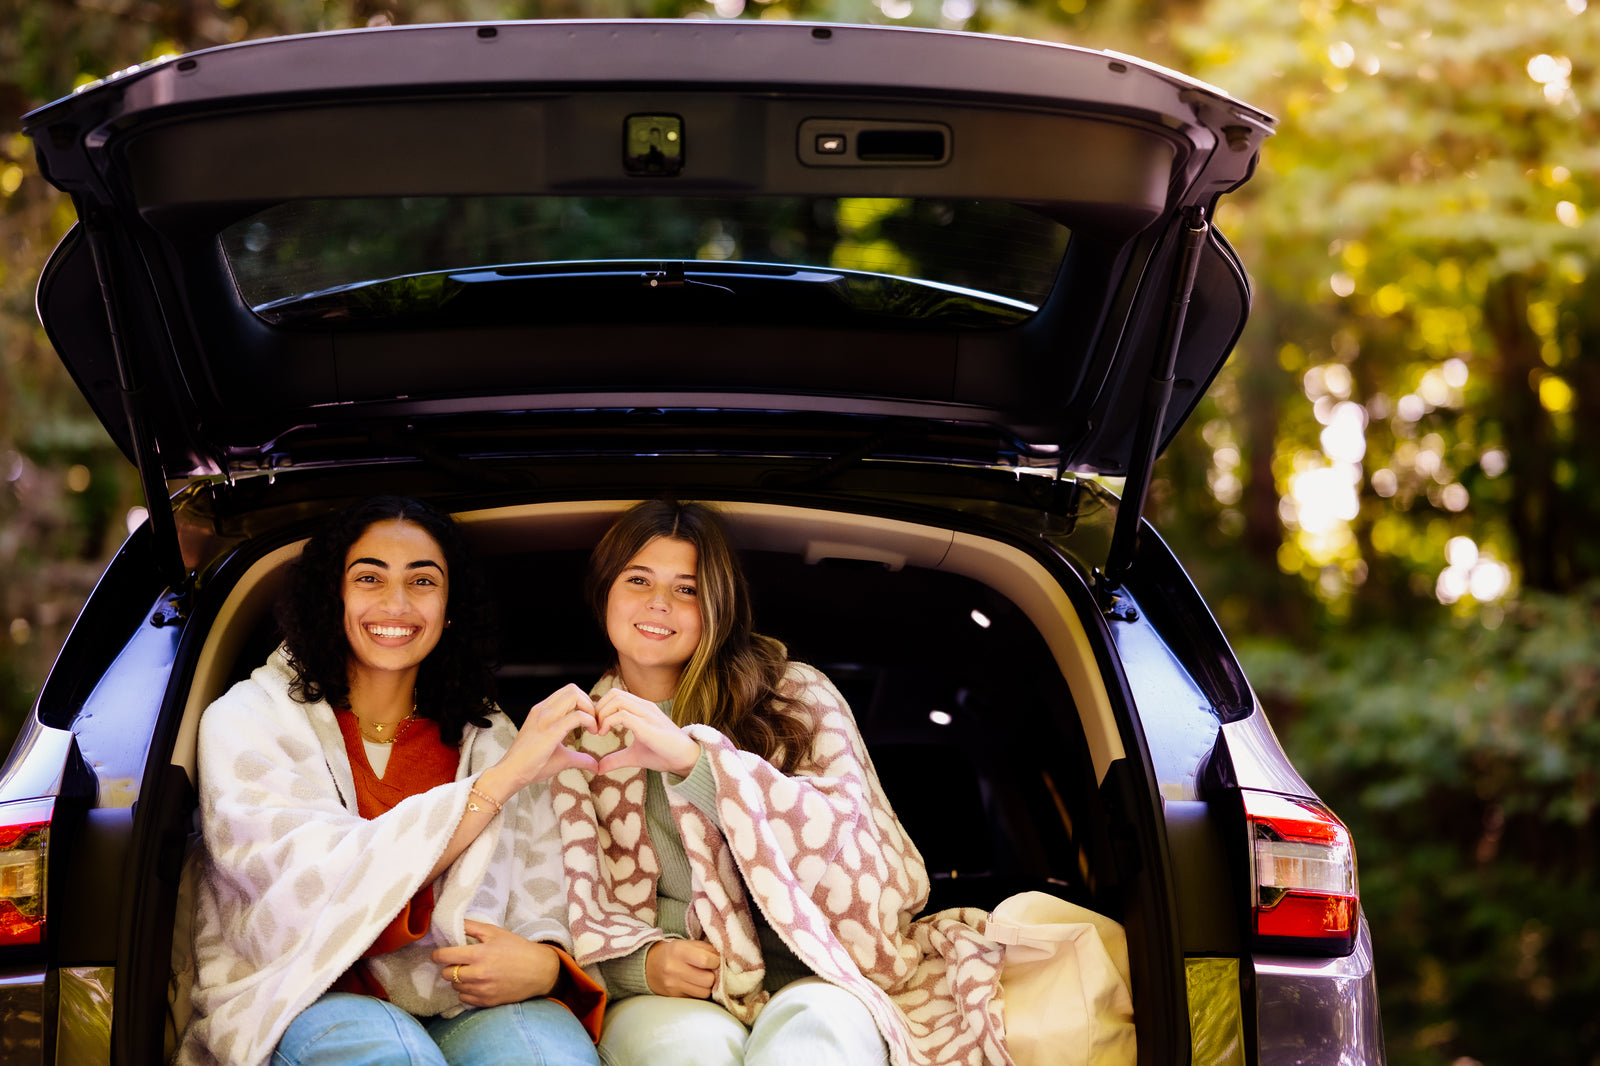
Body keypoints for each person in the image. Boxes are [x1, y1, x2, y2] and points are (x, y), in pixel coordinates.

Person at [552, 500, 1011, 1066]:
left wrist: (698, 765)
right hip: (675, 990)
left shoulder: (796, 696)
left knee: (815, 1034)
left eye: (687, 589)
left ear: (719, 604)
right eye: (638, 580)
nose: (658, 603)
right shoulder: (574, 737)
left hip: (823, 972)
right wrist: (639, 967)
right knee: (686, 1052)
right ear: (604, 591)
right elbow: (555, 908)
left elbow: (860, 864)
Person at [178, 495, 605, 1066]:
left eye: (422, 581)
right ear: (333, 595)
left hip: (472, 999)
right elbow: (299, 894)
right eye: (369, 578)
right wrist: (494, 786)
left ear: (450, 607)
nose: (397, 603)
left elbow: (548, 888)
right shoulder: (248, 721)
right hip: (305, 992)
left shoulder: (493, 736)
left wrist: (547, 963)